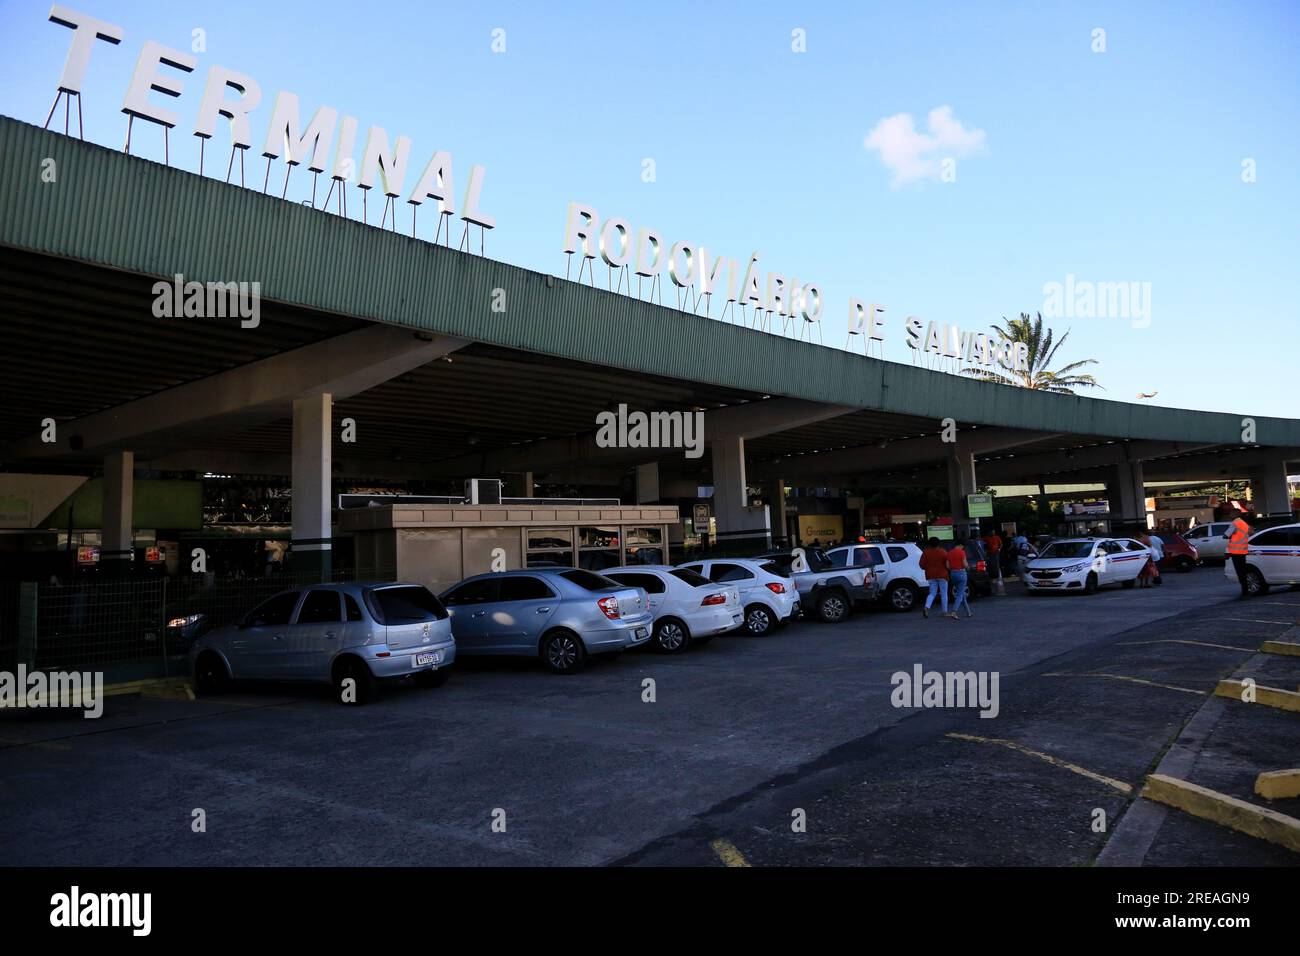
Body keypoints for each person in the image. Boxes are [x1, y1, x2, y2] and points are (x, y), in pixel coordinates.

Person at [920, 537, 951, 619]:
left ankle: (926, 607)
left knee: (932, 593)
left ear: (929, 544)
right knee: (944, 593)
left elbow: (921, 564)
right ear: (938, 543)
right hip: (943, 575)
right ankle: (944, 611)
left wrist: (927, 568)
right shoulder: (943, 552)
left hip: (930, 575)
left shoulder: (926, 552)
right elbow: (947, 564)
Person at [1224, 513, 1253, 596]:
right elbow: (1249, 534)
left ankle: (1245, 591)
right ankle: (1246, 589)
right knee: (1243, 571)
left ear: (1234, 515)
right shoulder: (1244, 523)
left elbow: (1226, 535)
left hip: (1235, 552)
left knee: (1240, 572)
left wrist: (1230, 536)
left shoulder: (1235, 523)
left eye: (1231, 514)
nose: (1230, 516)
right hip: (1243, 551)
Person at [948, 539, 972, 619]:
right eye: (963, 547)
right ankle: (954, 611)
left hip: (953, 574)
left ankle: (968, 612)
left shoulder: (949, 552)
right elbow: (965, 564)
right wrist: (968, 567)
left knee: (960, 593)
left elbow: (947, 566)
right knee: (960, 594)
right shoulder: (962, 552)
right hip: (961, 573)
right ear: (961, 545)